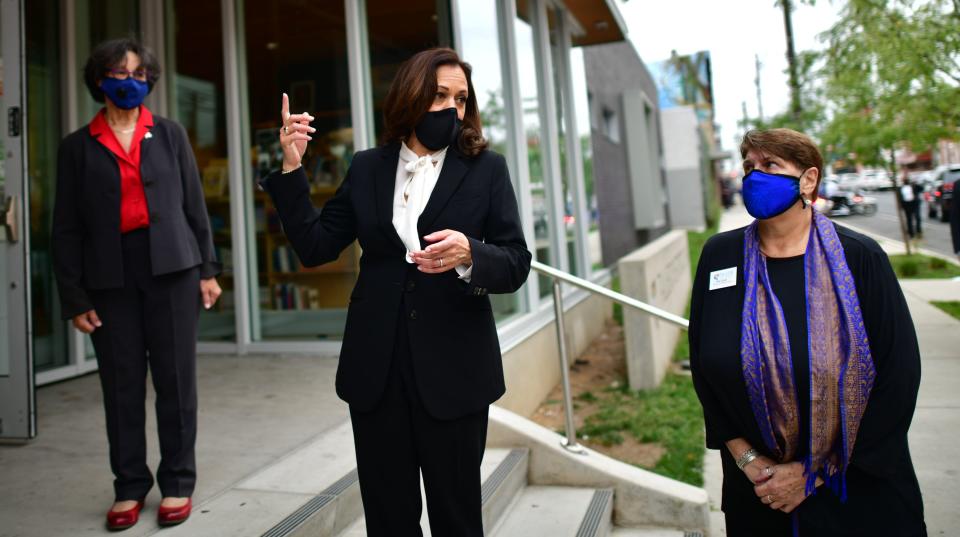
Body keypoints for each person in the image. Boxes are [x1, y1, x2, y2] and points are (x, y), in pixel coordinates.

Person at [260, 48, 530, 536]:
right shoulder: (367, 167)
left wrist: (471, 253)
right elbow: (316, 247)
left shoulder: (487, 169)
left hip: (455, 370)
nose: (452, 108)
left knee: (457, 517)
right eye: (440, 95)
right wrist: (292, 168)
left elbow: (516, 262)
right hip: (376, 369)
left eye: (462, 99)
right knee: (388, 517)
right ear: (411, 96)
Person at [688, 128, 926, 536]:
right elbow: (706, 370)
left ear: (809, 179)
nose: (754, 177)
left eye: (770, 165)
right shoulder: (719, 256)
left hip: (858, 493)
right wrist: (748, 460)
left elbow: (898, 377)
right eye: (748, 167)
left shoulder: (861, 258)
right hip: (759, 494)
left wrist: (812, 473)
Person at [52, 38, 221, 531]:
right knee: (121, 386)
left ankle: (177, 482)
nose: (131, 82)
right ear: (99, 80)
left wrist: (208, 270)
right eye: (119, 73)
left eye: (139, 74)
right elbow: (65, 228)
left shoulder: (169, 134)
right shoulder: (77, 147)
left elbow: (194, 206)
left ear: (149, 80)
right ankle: (129, 486)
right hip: (109, 278)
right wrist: (74, 296)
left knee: (175, 383)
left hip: (173, 270)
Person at [899, 173, 922, 239]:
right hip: (907, 205)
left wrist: (916, 183)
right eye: (904, 179)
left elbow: (921, 189)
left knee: (917, 218)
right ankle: (911, 233)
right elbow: (900, 198)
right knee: (909, 219)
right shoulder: (901, 188)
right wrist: (901, 206)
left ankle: (918, 231)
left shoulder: (913, 186)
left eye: (906, 179)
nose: (905, 180)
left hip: (915, 204)